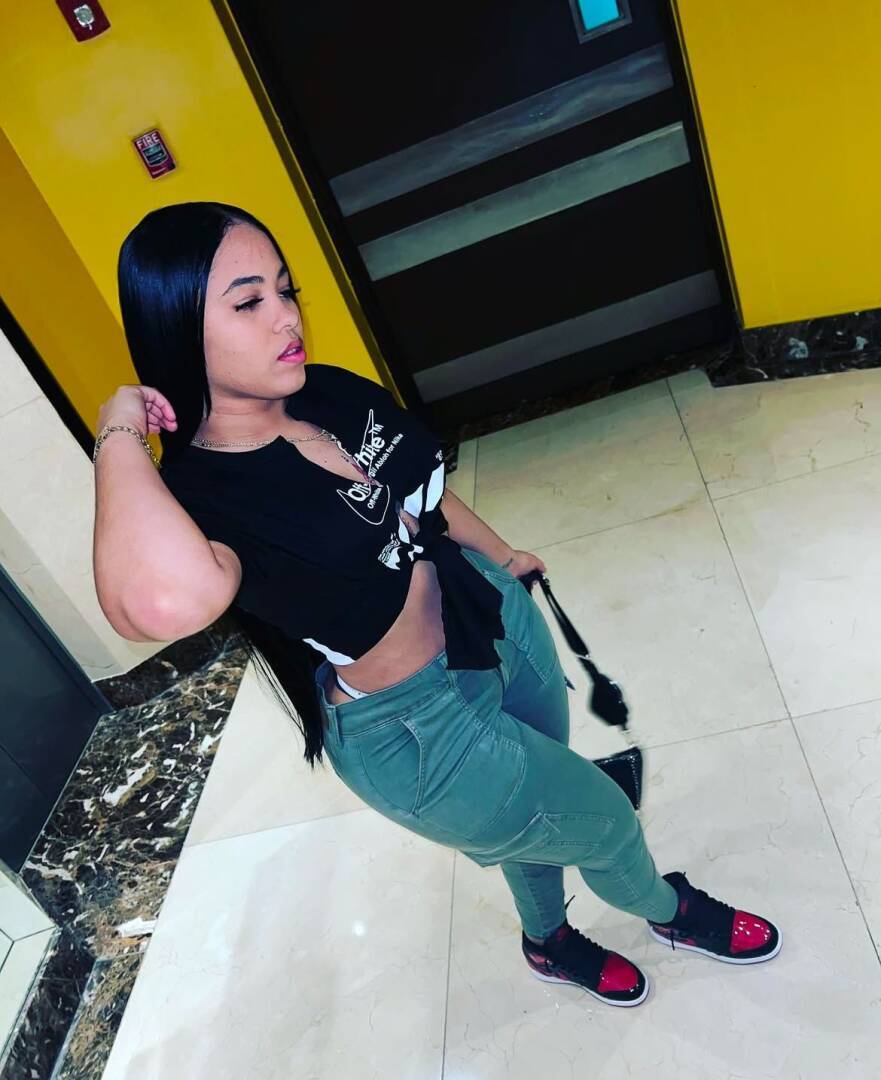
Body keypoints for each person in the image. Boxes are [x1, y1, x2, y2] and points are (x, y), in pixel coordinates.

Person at [92, 202, 781, 1009]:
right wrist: (117, 430)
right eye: (248, 302)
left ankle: (547, 941)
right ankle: (671, 912)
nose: (286, 317)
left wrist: (502, 559)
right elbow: (163, 603)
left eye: (286, 289)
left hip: (488, 616)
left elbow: (422, 495)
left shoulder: (324, 392)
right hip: (417, 729)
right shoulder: (205, 499)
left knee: (541, 813)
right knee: (603, 821)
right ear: (178, 332)